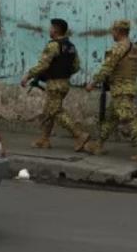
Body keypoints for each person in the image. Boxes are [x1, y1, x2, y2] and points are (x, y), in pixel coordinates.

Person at [83, 19, 137, 162]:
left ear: (119, 31)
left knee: (129, 118)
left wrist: (93, 83)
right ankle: (98, 144)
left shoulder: (118, 48)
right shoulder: (135, 48)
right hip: (128, 86)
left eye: (113, 31)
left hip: (120, 88)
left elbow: (107, 68)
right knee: (110, 118)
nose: (112, 34)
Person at [21, 18, 90, 152]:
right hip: (64, 83)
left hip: (54, 84)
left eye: (51, 27)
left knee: (56, 111)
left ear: (56, 30)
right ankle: (44, 139)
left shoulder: (53, 45)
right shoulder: (70, 46)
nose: (49, 30)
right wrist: (64, 72)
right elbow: (76, 66)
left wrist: (28, 75)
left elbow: (43, 65)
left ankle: (79, 135)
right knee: (48, 111)